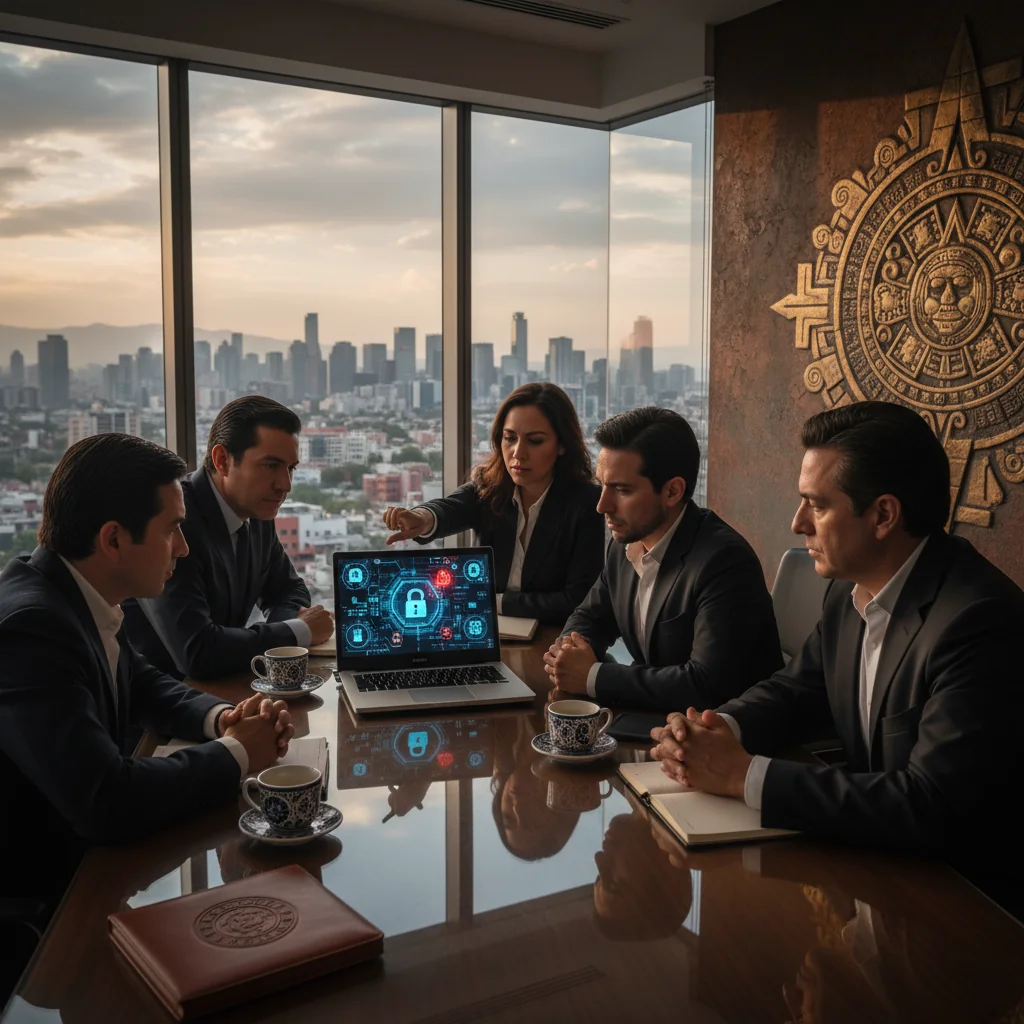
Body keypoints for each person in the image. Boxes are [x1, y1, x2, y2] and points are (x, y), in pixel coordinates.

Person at [650, 401, 1024, 919]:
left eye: (816, 505)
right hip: (875, 873)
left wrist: (744, 776)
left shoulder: (977, 622)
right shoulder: (849, 592)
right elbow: (797, 689)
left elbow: (929, 805)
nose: (797, 522)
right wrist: (717, 729)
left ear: (884, 516)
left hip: (962, 911)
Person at [0, 435, 293, 971]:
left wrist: (221, 717)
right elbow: (105, 801)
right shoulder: (32, 629)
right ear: (113, 540)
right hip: (48, 921)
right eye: (171, 529)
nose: (183, 547)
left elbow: (140, 680)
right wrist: (237, 754)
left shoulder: (69, 595)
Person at [544, 406, 782, 711]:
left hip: (727, 741)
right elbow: (591, 616)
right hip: (659, 721)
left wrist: (592, 676)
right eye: (602, 485)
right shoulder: (625, 542)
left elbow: (706, 684)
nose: (602, 506)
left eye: (621, 490)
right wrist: (570, 652)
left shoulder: (724, 562)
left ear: (672, 491)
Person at [124, 396, 334, 679]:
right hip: (162, 707)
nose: (285, 485)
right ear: (222, 460)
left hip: (224, 692)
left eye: (291, 468)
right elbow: (197, 651)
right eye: (270, 466)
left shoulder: (256, 511)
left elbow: (288, 590)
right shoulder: (174, 522)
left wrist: (284, 630)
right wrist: (297, 631)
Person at [381, 382, 604, 626]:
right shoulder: (492, 488)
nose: (518, 453)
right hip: (485, 631)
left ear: (562, 445)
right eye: (509, 438)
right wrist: (422, 518)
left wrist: (493, 601)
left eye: (535, 441)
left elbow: (575, 600)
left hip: (553, 640)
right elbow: (451, 508)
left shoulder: (587, 504)